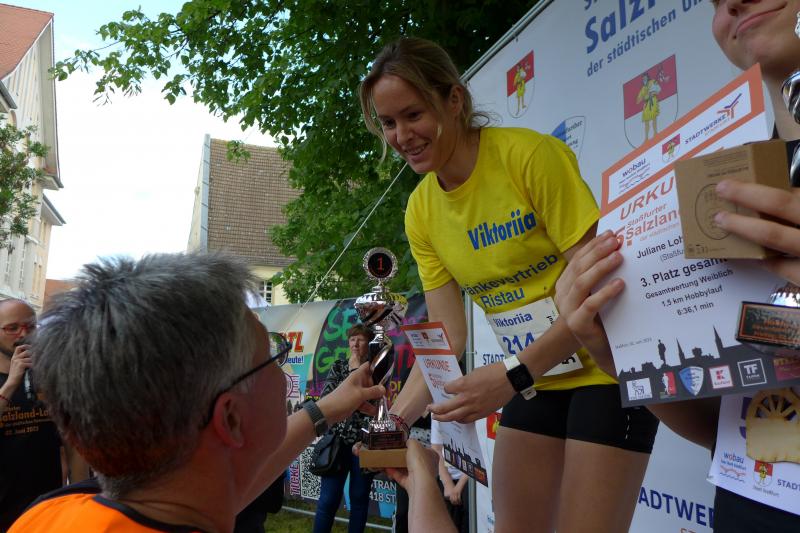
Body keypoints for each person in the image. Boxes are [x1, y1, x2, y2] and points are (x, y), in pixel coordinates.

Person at [359, 37, 659, 533]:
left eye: (413, 114)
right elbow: (448, 334)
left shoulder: (530, 157)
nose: (402, 135)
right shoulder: (421, 210)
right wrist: (394, 421)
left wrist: (513, 375)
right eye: (389, 123)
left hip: (607, 370)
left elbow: (597, 295)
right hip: (534, 380)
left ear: (454, 100)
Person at [555, 1, 800, 530]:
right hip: (752, 510)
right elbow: (729, 432)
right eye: (712, 1)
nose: (730, 3)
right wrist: (619, 355)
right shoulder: (733, 192)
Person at [9, 253, 388, 532]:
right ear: (231, 418)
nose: (281, 367)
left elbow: (222, 488)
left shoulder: (50, 513)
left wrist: (326, 409)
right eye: (273, 355)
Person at [0, 298, 87, 530]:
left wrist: (79, 493)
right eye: (12, 328)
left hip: (44, 505)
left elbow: (72, 442)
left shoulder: (50, 377)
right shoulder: (10, 380)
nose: (23, 334)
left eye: (30, 327)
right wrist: (11, 383)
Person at [312, 324, 377, 533]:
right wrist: (356, 397)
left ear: (369, 343)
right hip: (337, 441)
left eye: (361, 339)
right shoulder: (339, 366)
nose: (355, 343)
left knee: (359, 499)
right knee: (328, 499)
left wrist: (349, 398)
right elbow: (326, 399)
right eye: (352, 339)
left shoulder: (376, 369)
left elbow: (377, 406)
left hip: (363, 443)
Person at [431, 420, 468, 533]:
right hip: (446, 476)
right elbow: (437, 450)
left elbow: (478, 456)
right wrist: (447, 484)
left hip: (470, 481)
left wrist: (459, 487)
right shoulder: (437, 414)